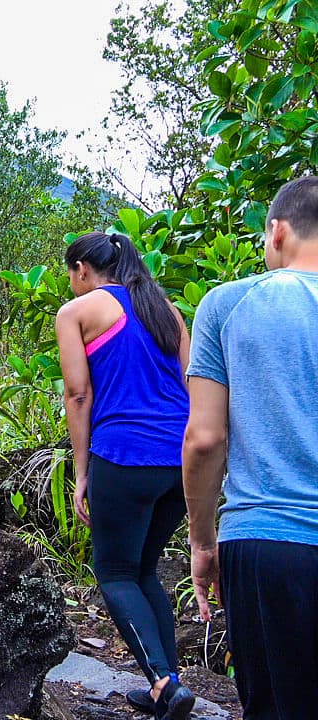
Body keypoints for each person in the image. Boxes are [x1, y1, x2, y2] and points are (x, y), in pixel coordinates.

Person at [184, 176, 318, 719]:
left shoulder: (227, 305)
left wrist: (202, 542)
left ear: (277, 231)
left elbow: (205, 438)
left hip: (267, 541)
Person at [54, 231, 195, 720]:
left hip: (125, 454)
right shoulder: (166, 311)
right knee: (144, 570)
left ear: (82, 270)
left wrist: (82, 472)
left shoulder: (77, 312)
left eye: (70, 274)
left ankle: (162, 681)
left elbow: (78, 395)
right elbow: (191, 384)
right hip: (180, 462)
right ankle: (168, 686)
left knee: (114, 574)